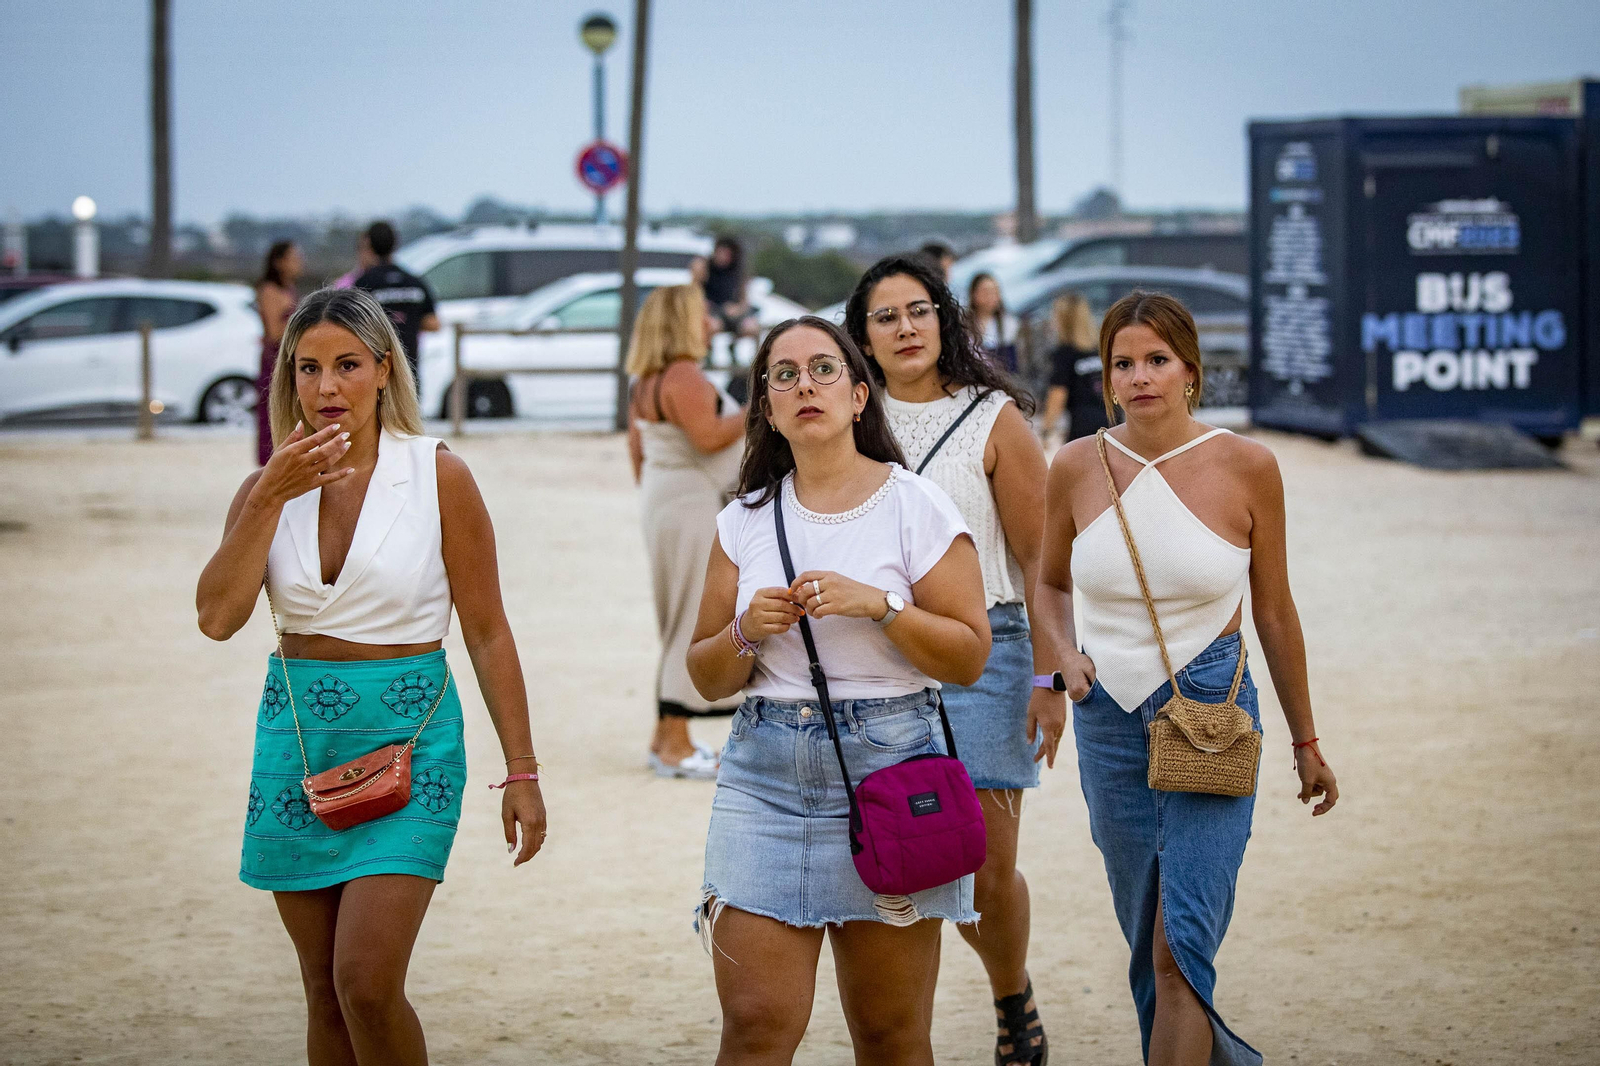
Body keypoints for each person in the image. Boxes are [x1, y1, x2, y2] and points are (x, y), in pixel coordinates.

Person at [196, 287, 548, 1066]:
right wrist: (268, 498)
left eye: (347, 365)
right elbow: (217, 618)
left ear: (384, 371)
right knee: (322, 992)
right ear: (287, 378)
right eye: (309, 368)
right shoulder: (265, 491)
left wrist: (521, 769)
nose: (327, 388)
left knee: (364, 981)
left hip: (412, 737)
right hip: (297, 742)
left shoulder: (438, 475)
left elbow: (487, 630)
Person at [1036, 291, 1341, 1066]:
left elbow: (1274, 610)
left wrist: (1306, 738)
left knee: (1181, 950)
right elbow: (1049, 583)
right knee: (1147, 947)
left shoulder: (1249, 466)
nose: (1140, 377)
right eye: (1123, 364)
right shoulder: (1074, 465)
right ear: (1106, 378)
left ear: (1191, 372)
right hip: (1106, 715)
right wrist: (1060, 662)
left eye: (1157, 360)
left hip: (1213, 708)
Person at [686, 316, 992, 1066]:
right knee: (756, 1026)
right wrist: (744, 633)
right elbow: (703, 676)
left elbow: (969, 656)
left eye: (823, 370)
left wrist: (882, 607)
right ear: (766, 406)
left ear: (860, 396)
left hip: (894, 770)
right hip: (764, 778)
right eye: (782, 375)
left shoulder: (915, 506)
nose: (803, 386)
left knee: (889, 1036)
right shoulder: (742, 521)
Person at [846, 254, 1065, 1066]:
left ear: (944, 319)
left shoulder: (994, 419)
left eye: (917, 311)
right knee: (902, 863)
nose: (904, 328)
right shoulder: (846, 417)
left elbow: (1044, 560)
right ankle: (911, 1042)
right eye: (884, 317)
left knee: (979, 869)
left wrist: (1048, 681)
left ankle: (1012, 996)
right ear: (862, 335)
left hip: (991, 655)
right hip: (877, 654)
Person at [626, 284, 746, 779]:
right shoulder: (684, 375)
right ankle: (675, 743)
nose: (712, 324)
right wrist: (758, 406)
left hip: (664, 499)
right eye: (704, 315)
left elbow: (636, 448)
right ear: (683, 321)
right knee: (692, 618)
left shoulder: (646, 381)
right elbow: (708, 437)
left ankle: (665, 738)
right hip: (691, 504)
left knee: (677, 615)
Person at [352, 221, 439, 384]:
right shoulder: (414, 282)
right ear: (395, 244)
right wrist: (407, 319)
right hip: (408, 370)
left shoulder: (363, 283)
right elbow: (434, 323)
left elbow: (352, 324)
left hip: (375, 372)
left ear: (368, 245)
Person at [255, 240, 302, 467]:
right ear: (279, 262)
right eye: (293, 258)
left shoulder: (289, 289)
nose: (299, 262)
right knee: (272, 414)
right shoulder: (269, 290)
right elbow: (274, 332)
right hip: (274, 360)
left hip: (290, 358)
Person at [1041, 292, 1106, 449]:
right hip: (1112, 422)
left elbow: (1058, 394)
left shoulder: (1065, 354)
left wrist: (1046, 430)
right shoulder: (1101, 350)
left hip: (1082, 428)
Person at [702, 236, 760, 340]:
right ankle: (707, 354)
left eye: (726, 253)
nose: (722, 257)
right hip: (714, 312)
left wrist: (738, 309)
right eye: (720, 252)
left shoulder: (739, 273)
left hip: (736, 313)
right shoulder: (706, 269)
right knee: (711, 325)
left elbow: (745, 300)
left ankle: (753, 353)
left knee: (753, 327)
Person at [967, 272, 1019, 374]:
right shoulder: (964, 326)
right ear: (974, 294)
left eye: (995, 291)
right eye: (985, 291)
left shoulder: (1009, 324)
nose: (991, 296)